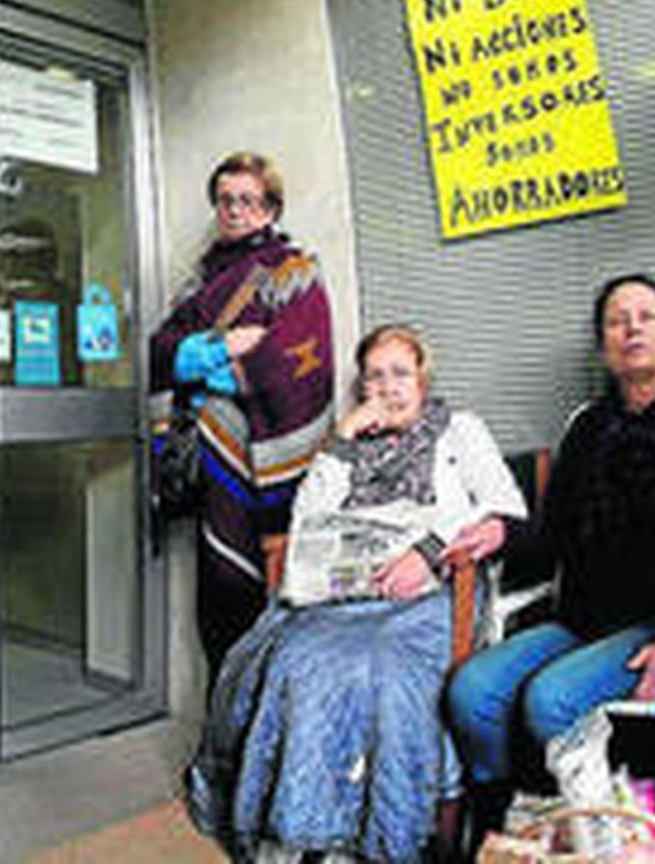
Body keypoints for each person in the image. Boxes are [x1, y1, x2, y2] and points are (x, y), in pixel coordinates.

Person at [186, 325, 526, 863]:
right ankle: (312, 834)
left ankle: (383, 836)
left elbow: (501, 507)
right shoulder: (348, 444)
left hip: (431, 593)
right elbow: (306, 521)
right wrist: (341, 439)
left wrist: (432, 552)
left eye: (400, 374)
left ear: (423, 378)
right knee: (298, 660)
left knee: (387, 670)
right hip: (346, 598)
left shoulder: (460, 429)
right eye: (375, 377)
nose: (389, 388)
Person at [447, 273, 655, 839]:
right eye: (617, 320)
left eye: (646, 316)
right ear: (603, 347)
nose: (632, 328)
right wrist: (501, 533)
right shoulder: (590, 428)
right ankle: (508, 824)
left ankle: (595, 835)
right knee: (472, 692)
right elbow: (551, 537)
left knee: (550, 700)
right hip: (585, 621)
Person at [149, 151, 335, 677]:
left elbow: (300, 364)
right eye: (226, 199)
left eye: (248, 200)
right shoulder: (201, 281)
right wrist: (219, 348)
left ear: (272, 208)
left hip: (263, 475)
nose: (234, 210)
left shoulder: (294, 274)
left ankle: (260, 742)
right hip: (213, 474)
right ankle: (221, 739)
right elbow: (159, 352)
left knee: (263, 603)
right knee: (217, 605)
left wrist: (210, 365)